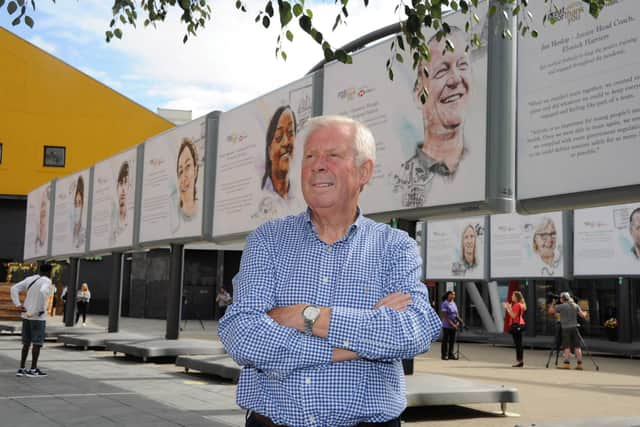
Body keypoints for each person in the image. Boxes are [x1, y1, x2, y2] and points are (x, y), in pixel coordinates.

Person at [219, 115, 442, 427]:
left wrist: (305, 316)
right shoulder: (267, 240)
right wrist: (350, 347)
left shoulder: (394, 246)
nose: (317, 165)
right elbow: (241, 335)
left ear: (365, 171)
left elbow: (414, 330)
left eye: (333, 155)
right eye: (310, 156)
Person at [393, 27, 471, 208]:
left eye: (462, 65)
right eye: (441, 71)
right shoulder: (399, 184)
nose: (455, 79)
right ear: (418, 95)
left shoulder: (483, 170)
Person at [10, 263, 54, 377]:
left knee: (26, 343)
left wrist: (18, 304)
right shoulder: (47, 281)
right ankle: (33, 369)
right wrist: (40, 308)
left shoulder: (30, 279)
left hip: (26, 314)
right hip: (38, 317)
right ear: (50, 272)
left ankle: (21, 368)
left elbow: (14, 288)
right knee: (37, 344)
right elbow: (44, 292)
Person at [261, 106, 297, 199]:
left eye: (290, 133)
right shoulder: (263, 197)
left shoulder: (300, 197)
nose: (286, 142)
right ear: (269, 151)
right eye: (279, 136)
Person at [548, 292, 588, 370]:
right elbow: (582, 315)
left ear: (562, 299)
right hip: (575, 328)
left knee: (567, 346)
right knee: (577, 346)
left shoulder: (561, 306)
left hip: (566, 328)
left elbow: (550, 311)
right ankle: (579, 364)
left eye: (560, 298)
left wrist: (553, 303)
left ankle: (567, 364)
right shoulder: (575, 305)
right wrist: (585, 313)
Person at [176, 138, 199, 219]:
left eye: (188, 166)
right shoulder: (174, 219)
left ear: (195, 171)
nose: (184, 176)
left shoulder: (201, 211)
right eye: (180, 171)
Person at [503, 290, 526, 368]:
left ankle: (519, 361)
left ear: (516, 297)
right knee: (519, 344)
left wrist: (507, 308)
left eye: (513, 296)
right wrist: (509, 307)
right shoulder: (521, 304)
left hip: (516, 325)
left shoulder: (517, 305)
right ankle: (520, 361)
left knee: (518, 344)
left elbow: (513, 316)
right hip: (520, 324)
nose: (511, 297)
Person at [112, 160, 131, 242]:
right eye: (121, 183)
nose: (123, 189)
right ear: (116, 187)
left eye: (126, 183)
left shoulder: (131, 223)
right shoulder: (112, 222)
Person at [440, 291, 461, 360]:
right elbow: (445, 316)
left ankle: (450, 354)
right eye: (452, 294)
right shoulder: (445, 303)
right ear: (448, 295)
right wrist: (452, 324)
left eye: (454, 294)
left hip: (454, 325)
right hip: (447, 325)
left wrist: (457, 322)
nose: (453, 296)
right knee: (445, 341)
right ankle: (444, 355)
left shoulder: (453, 303)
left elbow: (456, 314)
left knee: (452, 340)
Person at [72, 176, 85, 248]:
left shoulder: (84, 233)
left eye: (79, 203)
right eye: (75, 203)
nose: (77, 207)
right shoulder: (71, 232)